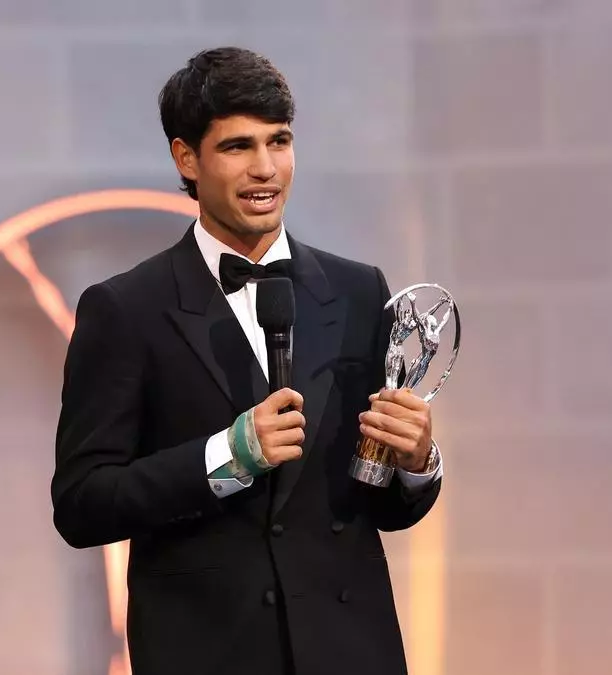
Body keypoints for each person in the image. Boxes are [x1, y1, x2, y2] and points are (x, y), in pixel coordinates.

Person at [50, 46, 444, 675]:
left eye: (279, 141)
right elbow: (82, 504)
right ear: (187, 158)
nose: (265, 168)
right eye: (238, 147)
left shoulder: (359, 291)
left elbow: (384, 509)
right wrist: (227, 456)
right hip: (208, 654)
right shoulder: (125, 310)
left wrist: (416, 462)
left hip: (349, 652)